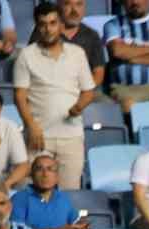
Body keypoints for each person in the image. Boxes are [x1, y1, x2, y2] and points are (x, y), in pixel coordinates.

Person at [14, 2, 98, 191]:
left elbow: (88, 91)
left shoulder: (77, 54)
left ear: (60, 25)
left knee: (70, 194)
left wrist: (79, 106)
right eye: (43, 24)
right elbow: (19, 95)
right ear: (37, 26)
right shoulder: (26, 55)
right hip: (39, 137)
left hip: (72, 137)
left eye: (52, 23)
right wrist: (31, 125)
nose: (48, 29)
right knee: (33, 193)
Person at [11, 154, 89, 229]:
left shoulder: (64, 198)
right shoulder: (19, 199)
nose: (45, 174)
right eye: (39, 169)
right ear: (31, 175)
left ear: (57, 176)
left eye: (50, 169)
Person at [60, 0, 107, 91]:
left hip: (85, 91)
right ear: (58, 6)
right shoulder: (44, 33)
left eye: (79, 4)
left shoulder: (92, 36)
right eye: (67, 4)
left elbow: (98, 74)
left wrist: (81, 91)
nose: (74, 10)